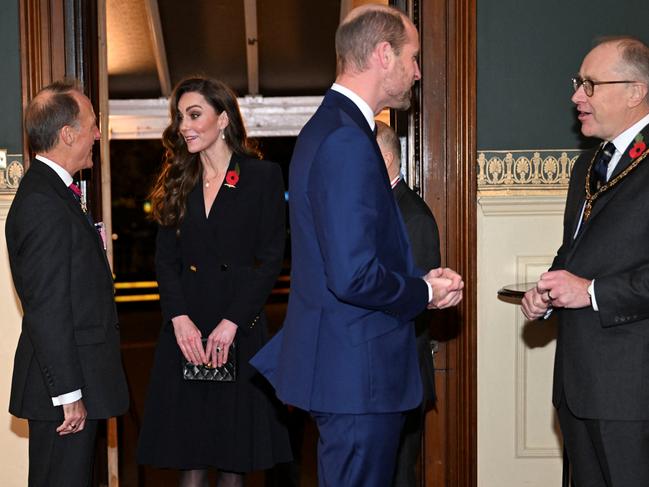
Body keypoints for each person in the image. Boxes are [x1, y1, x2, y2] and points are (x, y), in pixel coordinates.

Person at [251, 5, 463, 486]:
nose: (417, 71)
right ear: (384, 54)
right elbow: (352, 275)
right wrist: (425, 294)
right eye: (412, 57)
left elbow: (349, 259)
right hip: (358, 379)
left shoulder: (332, 128)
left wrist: (418, 280)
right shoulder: (346, 139)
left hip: (348, 373)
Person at [136, 77, 292, 487]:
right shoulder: (178, 180)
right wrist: (179, 319)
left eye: (194, 114)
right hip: (186, 332)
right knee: (191, 457)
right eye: (180, 117)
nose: (184, 125)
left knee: (232, 461)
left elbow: (271, 259)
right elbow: (165, 262)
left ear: (223, 119)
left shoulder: (262, 176)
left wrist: (232, 322)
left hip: (237, 329)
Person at [521, 37, 649, 486]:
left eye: (590, 85)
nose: (577, 96)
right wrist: (547, 293)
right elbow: (575, 252)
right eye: (579, 83)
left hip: (632, 393)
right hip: (577, 387)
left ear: (635, 91)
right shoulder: (588, 166)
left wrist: (591, 292)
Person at [5, 80, 129, 486]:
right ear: (67, 134)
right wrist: (69, 395)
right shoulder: (43, 202)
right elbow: (48, 306)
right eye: (92, 124)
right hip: (63, 392)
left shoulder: (55, 193)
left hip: (74, 383)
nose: (98, 133)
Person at [375, 120, 439, 487]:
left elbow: (416, 301)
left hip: (400, 375)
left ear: (384, 159)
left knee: (399, 476)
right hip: (381, 377)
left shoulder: (412, 216)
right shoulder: (381, 209)